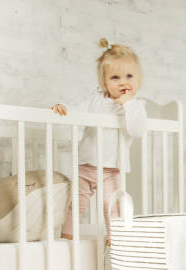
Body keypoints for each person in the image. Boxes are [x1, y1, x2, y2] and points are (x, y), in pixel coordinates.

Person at [51, 38, 147, 245]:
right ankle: (67, 236)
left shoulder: (136, 106)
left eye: (129, 76)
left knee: (111, 204)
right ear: (105, 83)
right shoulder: (96, 100)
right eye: (115, 77)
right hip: (86, 162)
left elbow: (137, 130)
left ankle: (115, 239)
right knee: (77, 201)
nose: (123, 82)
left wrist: (129, 105)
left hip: (113, 167)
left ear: (138, 79)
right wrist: (65, 109)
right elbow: (79, 109)